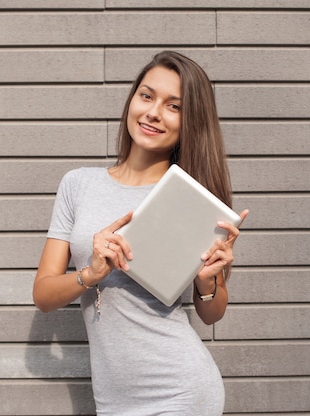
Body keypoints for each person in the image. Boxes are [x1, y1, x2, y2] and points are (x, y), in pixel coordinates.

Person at [33, 50, 249, 415]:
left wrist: (207, 282)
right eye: (147, 96)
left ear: (190, 122)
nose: (153, 112)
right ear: (132, 99)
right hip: (114, 400)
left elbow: (211, 314)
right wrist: (91, 274)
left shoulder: (190, 200)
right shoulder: (78, 184)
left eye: (174, 106)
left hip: (181, 391)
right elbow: (43, 295)